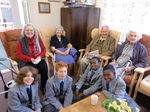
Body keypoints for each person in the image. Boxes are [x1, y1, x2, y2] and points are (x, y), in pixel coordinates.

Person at [16, 24, 48, 93]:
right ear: (24, 31)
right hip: (27, 60)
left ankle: (43, 86)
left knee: (44, 69)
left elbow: (44, 50)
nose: (29, 32)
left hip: (38, 59)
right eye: (27, 30)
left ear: (34, 31)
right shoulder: (21, 41)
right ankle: (32, 88)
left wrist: (39, 56)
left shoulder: (38, 38)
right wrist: (30, 59)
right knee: (31, 73)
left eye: (31, 30)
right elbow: (18, 54)